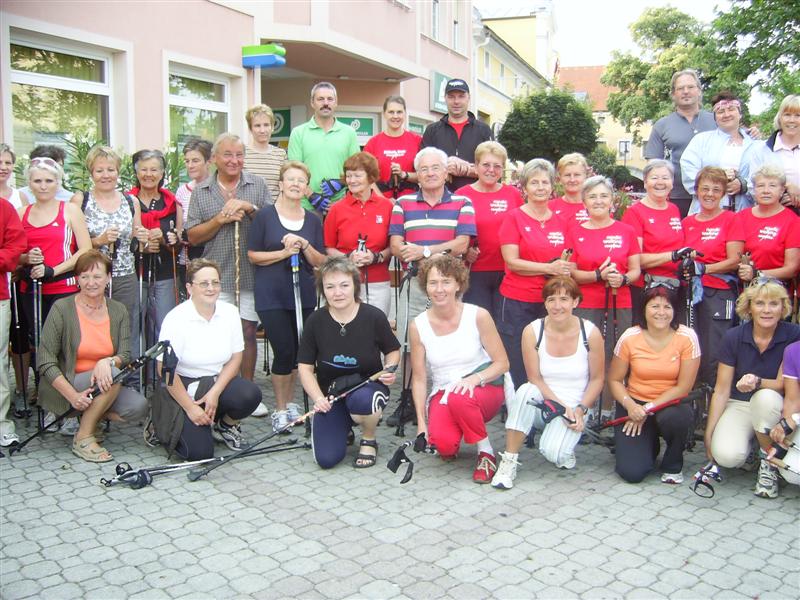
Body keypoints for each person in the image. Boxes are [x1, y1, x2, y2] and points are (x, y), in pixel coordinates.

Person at [386, 147, 475, 426]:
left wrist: (424, 252)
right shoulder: (403, 203)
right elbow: (396, 245)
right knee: (412, 345)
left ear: (447, 173)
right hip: (414, 284)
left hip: (450, 285)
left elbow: (462, 244)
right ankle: (410, 399)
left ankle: (446, 398)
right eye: (423, 169)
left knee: (451, 343)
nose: (430, 173)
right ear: (417, 176)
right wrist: (431, 252)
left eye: (436, 167)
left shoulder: (462, 202)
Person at [492, 277, 604, 488]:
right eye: (551, 299)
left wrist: (579, 410)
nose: (557, 306)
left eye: (564, 299)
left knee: (555, 453)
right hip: (544, 401)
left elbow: (598, 379)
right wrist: (559, 406)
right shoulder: (533, 330)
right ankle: (509, 461)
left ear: (576, 302)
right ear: (544, 303)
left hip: (574, 407)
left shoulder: (590, 332)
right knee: (526, 390)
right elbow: (535, 378)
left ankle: (564, 446)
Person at [37, 251, 148, 462]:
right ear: (77, 278)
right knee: (114, 375)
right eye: (84, 276)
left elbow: (125, 354)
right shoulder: (62, 308)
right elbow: (45, 360)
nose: (90, 282)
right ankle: (84, 437)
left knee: (138, 407)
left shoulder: (118, 310)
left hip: (103, 382)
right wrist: (73, 396)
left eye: (97, 276)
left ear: (108, 278)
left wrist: (105, 362)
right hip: (67, 383)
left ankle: (91, 417)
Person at [409, 254, 511, 482]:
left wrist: (475, 379)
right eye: (433, 283)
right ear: (425, 287)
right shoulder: (418, 326)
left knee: (459, 397)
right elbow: (418, 378)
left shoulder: (478, 315)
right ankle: (461, 424)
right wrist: (422, 425)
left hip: (485, 386)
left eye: (446, 282)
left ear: (458, 284)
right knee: (444, 446)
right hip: (444, 391)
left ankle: (486, 453)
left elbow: (503, 363)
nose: (439, 289)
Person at [298, 257, 400, 468]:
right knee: (326, 460)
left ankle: (369, 438)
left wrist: (390, 368)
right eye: (330, 287)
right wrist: (318, 398)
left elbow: (392, 350)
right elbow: (305, 368)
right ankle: (344, 427)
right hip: (331, 396)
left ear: (355, 286)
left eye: (344, 285)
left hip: (368, 388)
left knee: (362, 401)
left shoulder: (373, 316)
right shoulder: (315, 321)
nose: (338, 292)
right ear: (322, 290)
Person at [155, 259, 262, 459]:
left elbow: (236, 357)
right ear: (189, 288)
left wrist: (215, 392)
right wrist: (190, 408)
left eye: (215, 282)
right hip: (182, 386)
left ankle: (224, 425)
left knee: (250, 394)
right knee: (200, 454)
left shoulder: (229, 312)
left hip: (215, 381)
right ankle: (166, 423)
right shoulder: (176, 318)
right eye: (203, 283)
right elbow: (165, 371)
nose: (211, 288)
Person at [247, 161, 326, 432]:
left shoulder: (313, 219)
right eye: (290, 179)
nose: (295, 184)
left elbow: (320, 261)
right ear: (280, 184)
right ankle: (280, 409)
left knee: (298, 353)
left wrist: (303, 245)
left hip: (303, 294)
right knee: (283, 350)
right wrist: (283, 253)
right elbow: (253, 255)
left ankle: (292, 403)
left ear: (306, 188)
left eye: (301, 181)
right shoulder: (265, 216)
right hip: (272, 295)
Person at [186, 133, 271, 383]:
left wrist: (249, 208)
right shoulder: (201, 191)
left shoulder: (257, 184)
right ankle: (215, 386)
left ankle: (247, 390)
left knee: (246, 332)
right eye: (228, 154)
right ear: (214, 159)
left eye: (239, 155)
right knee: (214, 332)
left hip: (249, 273)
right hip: (215, 274)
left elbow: (270, 224)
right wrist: (219, 220)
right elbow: (192, 236)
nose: (234, 160)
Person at [704, 280, 800, 498]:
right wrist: (708, 435)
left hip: (778, 405)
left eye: (774, 304)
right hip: (740, 403)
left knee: (764, 398)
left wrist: (757, 382)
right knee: (727, 456)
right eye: (760, 303)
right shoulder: (734, 336)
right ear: (749, 308)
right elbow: (721, 390)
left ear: (783, 307)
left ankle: (769, 464)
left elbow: (782, 384)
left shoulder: (794, 334)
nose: (767, 310)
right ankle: (752, 448)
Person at [608, 284, 700, 484]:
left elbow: (683, 388)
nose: (661, 312)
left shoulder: (687, 337)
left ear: (675, 311)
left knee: (677, 418)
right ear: (643, 309)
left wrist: (647, 409)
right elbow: (615, 380)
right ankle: (649, 445)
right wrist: (632, 407)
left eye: (667, 307)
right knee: (632, 473)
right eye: (654, 306)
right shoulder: (630, 337)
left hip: (670, 404)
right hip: (634, 404)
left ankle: (673, 464)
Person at [498, 158, 572, 388]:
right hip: (518, 301)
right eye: (534, 182)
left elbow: (568, 258)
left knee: (547, 355)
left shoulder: (561, 221)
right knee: (519, 357)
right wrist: (548, 268)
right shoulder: (513, 217)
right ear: (524, 187)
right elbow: (512, 262)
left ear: (552, 186)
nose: (540, 187)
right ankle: (519, 404)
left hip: (551, 303)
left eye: (545, 182)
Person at [77, 146, 145, 367]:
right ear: (91, 173)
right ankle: (94, 375)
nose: (106, 175)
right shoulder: (81, 200)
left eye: (111, 169)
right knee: (94, 326)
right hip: (92, 276)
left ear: (118, 171)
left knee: (127, 327)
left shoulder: (130, 201)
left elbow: (136, 236)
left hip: (125, 274)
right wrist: (99, 241)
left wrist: (144, 236)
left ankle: (129, 378)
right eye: (99, 170)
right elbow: (73, 243)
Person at [680, 166, 744, 386]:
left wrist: (704, 268)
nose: (709, 194)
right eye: (705, 188)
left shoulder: (731, 219)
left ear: (723, 193)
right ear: (696, 190)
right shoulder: (687, 222)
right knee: (690, 344)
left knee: (714, 349)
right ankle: (693, 401)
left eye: (716, 189)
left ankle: (714, 402)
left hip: (719, 291)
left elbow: (735, 260)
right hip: (689, 292)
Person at [455, 141, 523, 321]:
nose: (491, 170)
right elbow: (452, 232)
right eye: (486, 165)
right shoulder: (461, 195)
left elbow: (524, 230)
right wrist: (464, 252)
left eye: (497, 166)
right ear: (476, 166)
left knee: (505, 324)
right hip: (475, 272)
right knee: (478, 324)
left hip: (509, 272)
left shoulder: (513, 195)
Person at [324, 152, 393, 315]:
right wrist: (348, 257)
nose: (352, 180)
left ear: (371, 177)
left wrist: (376, 257)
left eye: (357, 175)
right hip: (343, 282)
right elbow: (328, 247)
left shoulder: (387, 207)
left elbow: (393, 246)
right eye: (348, 176)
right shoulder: (336, 209)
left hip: (378, 282)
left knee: (376, 332)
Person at [645, 69, 716, 218]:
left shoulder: (716, 121)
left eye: (690, 87)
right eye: (680, 88)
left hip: (713, 196)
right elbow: (653, 165)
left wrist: (751, 133)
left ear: (699, 91)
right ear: (673, 94)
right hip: (676, 197)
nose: (686, 92)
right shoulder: (662, 125)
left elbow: (738, 141)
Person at [622, 159, 689, 316]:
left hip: (674, 286)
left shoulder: (674, 209)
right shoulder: (635, 212)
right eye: (654, 178)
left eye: (665, 178)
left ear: (672, 183)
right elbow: (635, 259)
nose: (660, 182)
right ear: (645, 182)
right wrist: (672, 256)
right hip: (647, 288)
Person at [288, 82, 359, 213]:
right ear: (312, 102)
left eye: (330, 99)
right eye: (320, 99)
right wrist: (311, 196)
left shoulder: (349, 133)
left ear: (336, 102)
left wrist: (341, 182)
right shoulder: (298, 133)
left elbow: (357, 169)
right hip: (306, 207)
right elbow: (294, 172)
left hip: (341, 206)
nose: (325, 103)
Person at [682, 92, 756, 214]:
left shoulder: (755, 145)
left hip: (743, 212)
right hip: (706, 212)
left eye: (731, 109)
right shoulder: (701, 141)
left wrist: (743, 185)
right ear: (715, 117)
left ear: (740, 114)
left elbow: (763, 176)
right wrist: (717, 182)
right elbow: (688, 171)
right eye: (721, 111)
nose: (726, 114)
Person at [421, 78, 493, 192]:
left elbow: (493, 169)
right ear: (445, 98)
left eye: (461, 96)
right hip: (440, 199)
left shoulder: (483, 130)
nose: (456, 101)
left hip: (476, 197)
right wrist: (445, 167)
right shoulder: (432, 131)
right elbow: (422, 166)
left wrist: (466, 169)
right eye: (451, 97)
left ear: (469, 97)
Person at [735, 165, 800, 286]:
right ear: (754, 190)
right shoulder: (740, 217)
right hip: (741, 289)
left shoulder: (793, 221)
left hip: (776, 289)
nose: (766, 190)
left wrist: (757, 274)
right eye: (760, 186)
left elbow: (792, 269)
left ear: (782, 191)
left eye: (772, 186)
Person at [0, 193, 27, 448]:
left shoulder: (4, 208)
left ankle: (1, 423)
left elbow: (15, 247)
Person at [742, 95, 800, 211]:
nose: (792, 120)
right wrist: (782, 191)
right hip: (772, 215)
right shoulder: (761, 150)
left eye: (798, 115)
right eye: (787, 115)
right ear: (780, 118)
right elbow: (752, 186)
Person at [364, 95, 421, 199]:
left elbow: (425, 174)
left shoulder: (417, 140)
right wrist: (383, 200)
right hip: (381, 201)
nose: (395, 116)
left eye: (399, 112)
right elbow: (366, 177)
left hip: (411, 201)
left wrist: (404, 174)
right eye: (391, 112)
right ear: (384, 114)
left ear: (405, 114)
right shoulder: (373, 143)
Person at [175, 139, 212, 275]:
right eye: (187, 161)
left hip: (214, 260)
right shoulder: (182, 191)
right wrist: (178, 235)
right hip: (189, 262)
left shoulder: (218, 187)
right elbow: (180, 230)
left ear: (209, 161)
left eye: (195, 161)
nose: (190, 165)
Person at [244, 104, 287, 202]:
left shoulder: (281, 154)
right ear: (250, 129)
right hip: (248, 212)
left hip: (274, 212)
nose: (262, 130)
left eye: (266, 125)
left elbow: (284, 187)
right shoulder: (242, 153)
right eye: (257, 126)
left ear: (272, 127)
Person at [549, 153, 590, 227]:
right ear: (560, 178)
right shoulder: (549, 208)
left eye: (577, 175)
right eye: (567, 175)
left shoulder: (596, 206)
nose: (572, 179)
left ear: (585, 176)